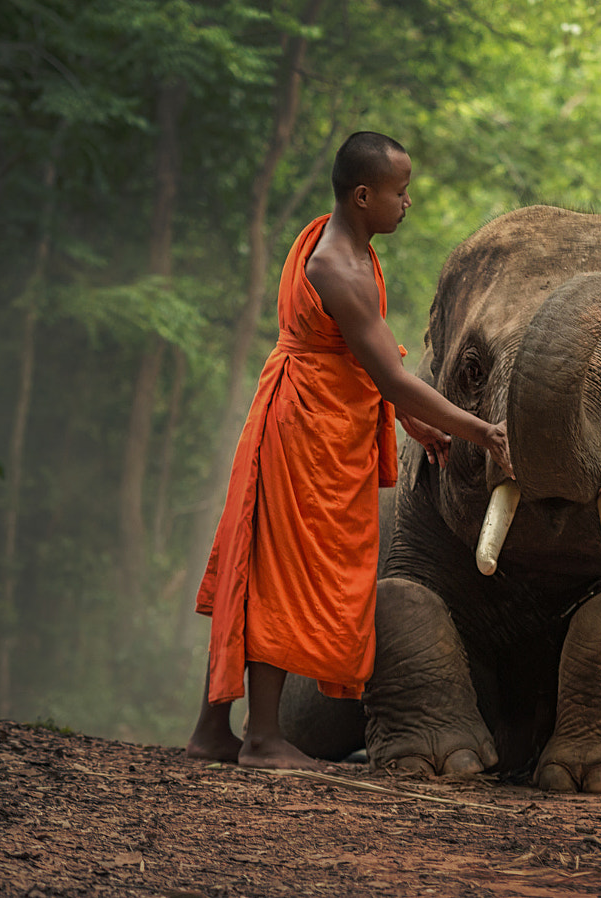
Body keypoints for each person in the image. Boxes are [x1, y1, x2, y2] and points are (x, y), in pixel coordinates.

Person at [186, 131, 513, 770]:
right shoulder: (333, 265)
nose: (407, 203)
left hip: (324, 419)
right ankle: (262, 737)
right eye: (399, 191)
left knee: (258, 562)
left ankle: (210, 731)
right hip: (304, 429)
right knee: (282, 571)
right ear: (364, 196)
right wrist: (481, 431)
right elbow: (389, 376)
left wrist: (411, 424)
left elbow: (363, 360)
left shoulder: (351, 247)